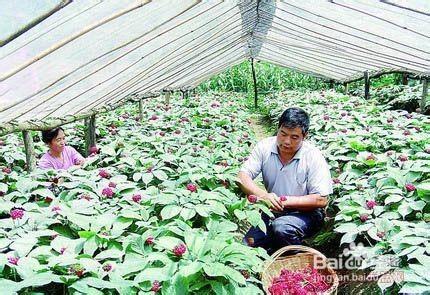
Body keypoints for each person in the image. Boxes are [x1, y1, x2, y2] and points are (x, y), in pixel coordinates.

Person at [238, 107, 332, 253]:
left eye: (294, 137)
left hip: (307, 214)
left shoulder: (313, 156)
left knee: (282, 228)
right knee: (246, 246)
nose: (287, 141)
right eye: (283, 134)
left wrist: (285, 201)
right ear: (278, 128)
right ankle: (276, 247)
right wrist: (263, 195)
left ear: (304, 136)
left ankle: (297, 256)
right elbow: (243, 176)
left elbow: (321, 200)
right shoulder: (264, 147)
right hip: (273, 210)